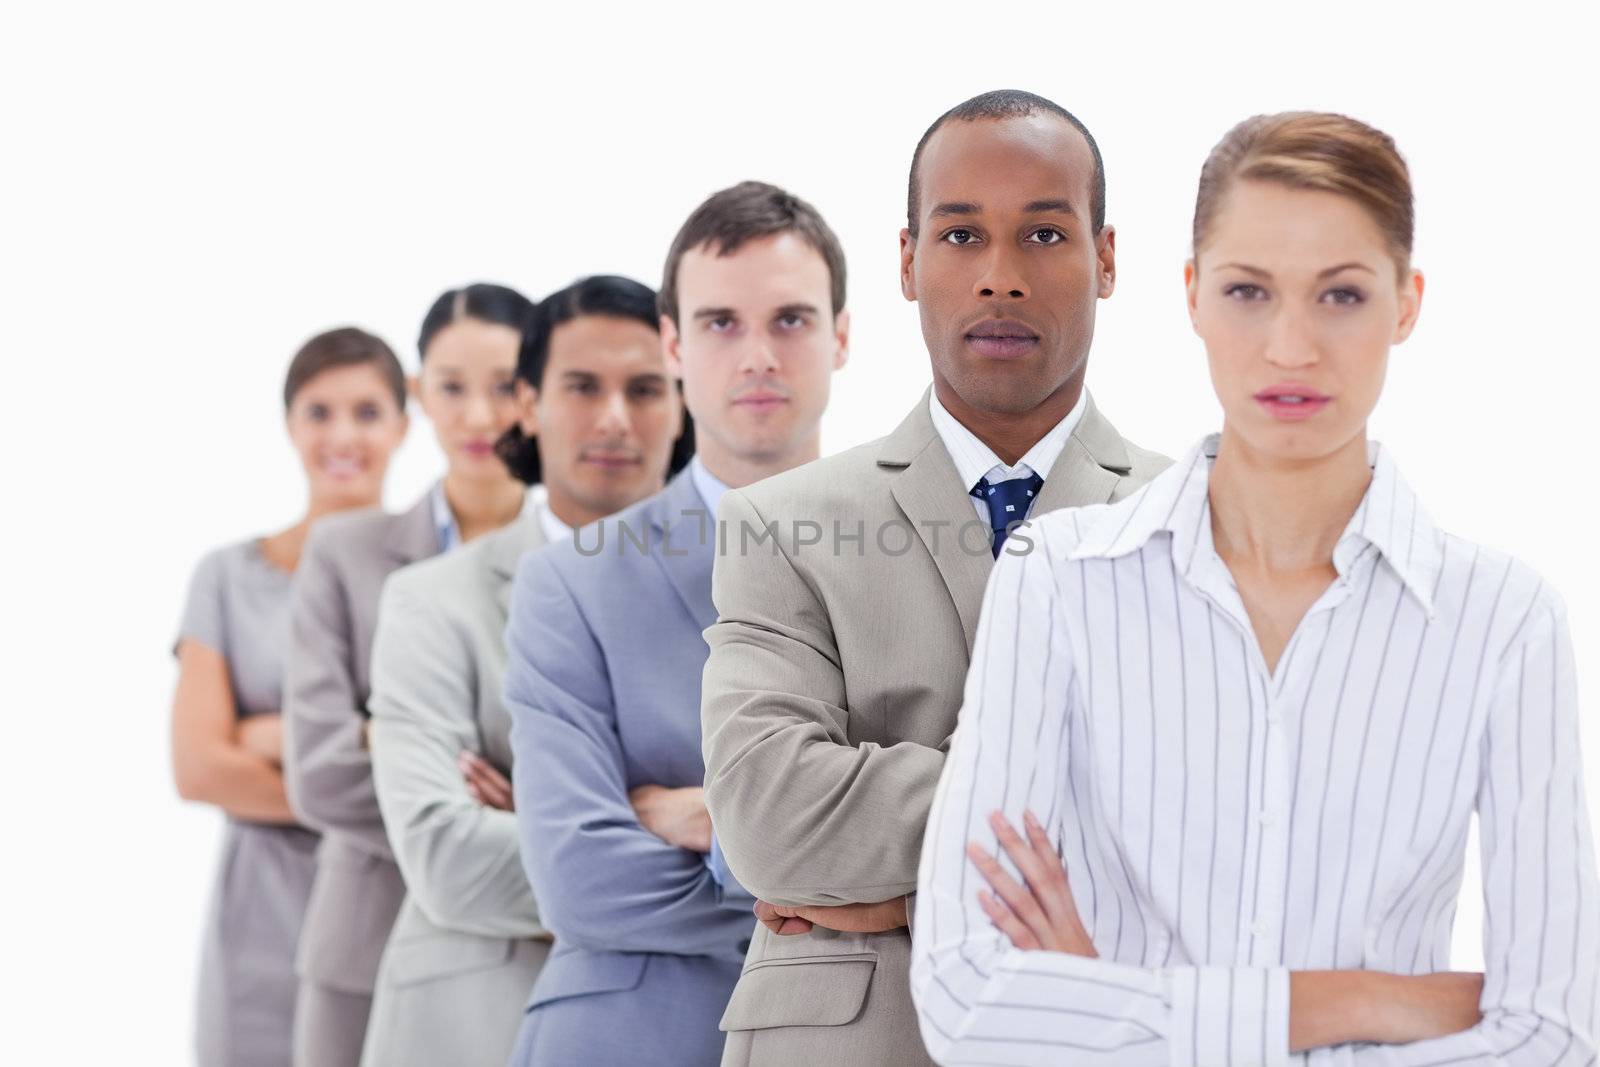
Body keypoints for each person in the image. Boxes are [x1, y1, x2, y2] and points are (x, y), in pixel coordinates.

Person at [913, 111, 1600, 1065]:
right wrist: (1357, 1001)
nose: (1290, 346)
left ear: (1407, 304)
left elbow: (1556, 1032)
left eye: (1342, 296)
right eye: (1247, 291)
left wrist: (1108, 1004)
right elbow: (964, 1000)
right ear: (1192, 296)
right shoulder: (1058, 580)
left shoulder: (1505, 620)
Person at [699, 92, 1168, 1065]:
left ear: (1106, 257)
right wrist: (1088, 819)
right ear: (909, 262)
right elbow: (766, 814)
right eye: (961, 235)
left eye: (1043, 232)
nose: (999, 277)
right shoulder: (780, 523)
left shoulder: (1198, 523)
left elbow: (1238, 821)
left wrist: (897, 892)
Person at [503, 181, 848, 1066]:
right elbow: (579, 881)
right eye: (722, 322)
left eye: (792, 321)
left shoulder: (928, 553)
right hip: (627, 1038)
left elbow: (947, 844)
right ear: (674, 342)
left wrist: (716, 822)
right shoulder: (567, 585)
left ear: (842, 335)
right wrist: (844, 889)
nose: (758, 356)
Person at [359, 274, 690, 1067]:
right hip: (473, 1027)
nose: (614, 417)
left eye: (646, 388)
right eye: (581, 385)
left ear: (684, 406)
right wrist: (656, 820)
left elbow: (791, 846)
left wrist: (562, 818)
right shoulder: (432, 601)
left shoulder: (747, 587)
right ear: (528, 404)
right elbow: (443, 856)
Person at [282, 283, 538, 1067]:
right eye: (451, 387)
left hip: (529, 936)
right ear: (418, 393)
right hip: (363, 940)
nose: (477, 416)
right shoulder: (345, 554)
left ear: (535, 389)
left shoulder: (576, 552)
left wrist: (396, 740)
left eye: (502, 386)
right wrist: (436, 787)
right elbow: (321, 772)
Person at [171, 326, 408, 1067]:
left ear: (404, 423)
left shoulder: (430, 571)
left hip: (395, 909)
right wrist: (359, 756)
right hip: (262, 921)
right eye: (319, 411)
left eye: (367, 411)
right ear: (288, 423)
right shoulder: (228, 576)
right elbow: (199, 766)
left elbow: (459, 754)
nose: (342, 434)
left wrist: (271, 735)